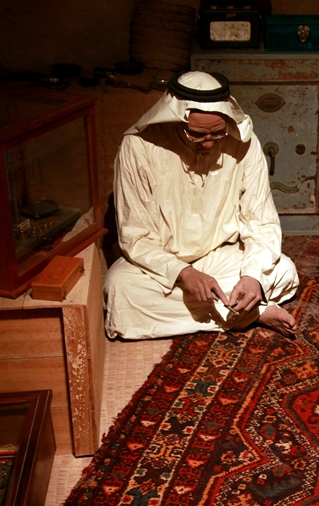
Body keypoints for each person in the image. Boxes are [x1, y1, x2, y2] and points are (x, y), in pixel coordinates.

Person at [103, 71, 299, 339]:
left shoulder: (245, 144)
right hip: (163, 267)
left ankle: (235, 306)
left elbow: (261, 222)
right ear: (176, 119)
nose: (208, 142)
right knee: (119, 289)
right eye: (197, 134)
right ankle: (253, 313)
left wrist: (252, 277)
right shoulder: (138, 147)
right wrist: (183, 272)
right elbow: (136, 236)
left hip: (221, 257)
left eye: (217, 133)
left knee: (285, 270)